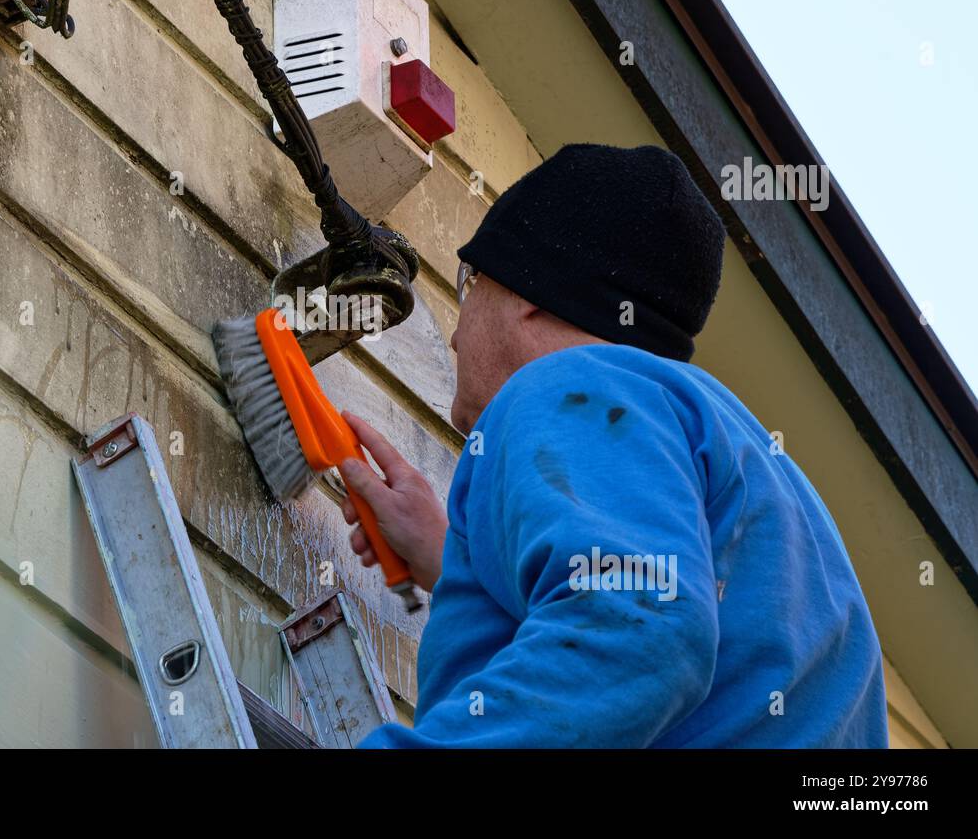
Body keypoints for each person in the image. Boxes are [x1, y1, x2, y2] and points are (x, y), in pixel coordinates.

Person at [342, 143, 888, 748]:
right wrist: (452, 558)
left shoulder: (566, 386)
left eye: (470, 282)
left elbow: (641, 632)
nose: (454, 332)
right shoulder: (758, 470)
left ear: (528, 292)